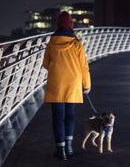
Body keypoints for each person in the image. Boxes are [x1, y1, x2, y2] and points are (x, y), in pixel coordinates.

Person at [42, 11, 91, 161]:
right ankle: (69, 147)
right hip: (73, 82)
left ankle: (60, 150)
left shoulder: (51, 42)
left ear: (58, 25)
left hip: (57, 82)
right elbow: (84, 66)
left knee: (58, 117)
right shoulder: (77, 43)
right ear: (70, 26)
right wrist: (86, 85)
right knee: (70, 115)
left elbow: (45, 64)